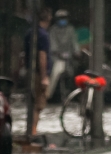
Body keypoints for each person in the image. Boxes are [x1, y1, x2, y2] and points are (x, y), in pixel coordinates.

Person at [24, 8, 53, 136]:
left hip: (30, 71)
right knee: (38, 104)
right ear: (47, 19)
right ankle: (33, 131)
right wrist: (44, 77)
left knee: (32, 103)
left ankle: (31, 129)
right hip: (37, 74)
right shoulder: (43, 35)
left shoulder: (30, 33)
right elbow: (42, 56)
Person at [47, 9, 80, 100]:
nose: (62, 20)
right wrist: (59, 53)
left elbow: (74, 43)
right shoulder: (53, 30)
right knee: (55, 73)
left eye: (64, 18)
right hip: (56, 57)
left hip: (69, 57)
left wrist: (76, 52)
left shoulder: (70, 29)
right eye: (60, 18)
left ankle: (70, 93)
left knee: (72, 73)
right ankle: (49, 95)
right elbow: (53, 45)